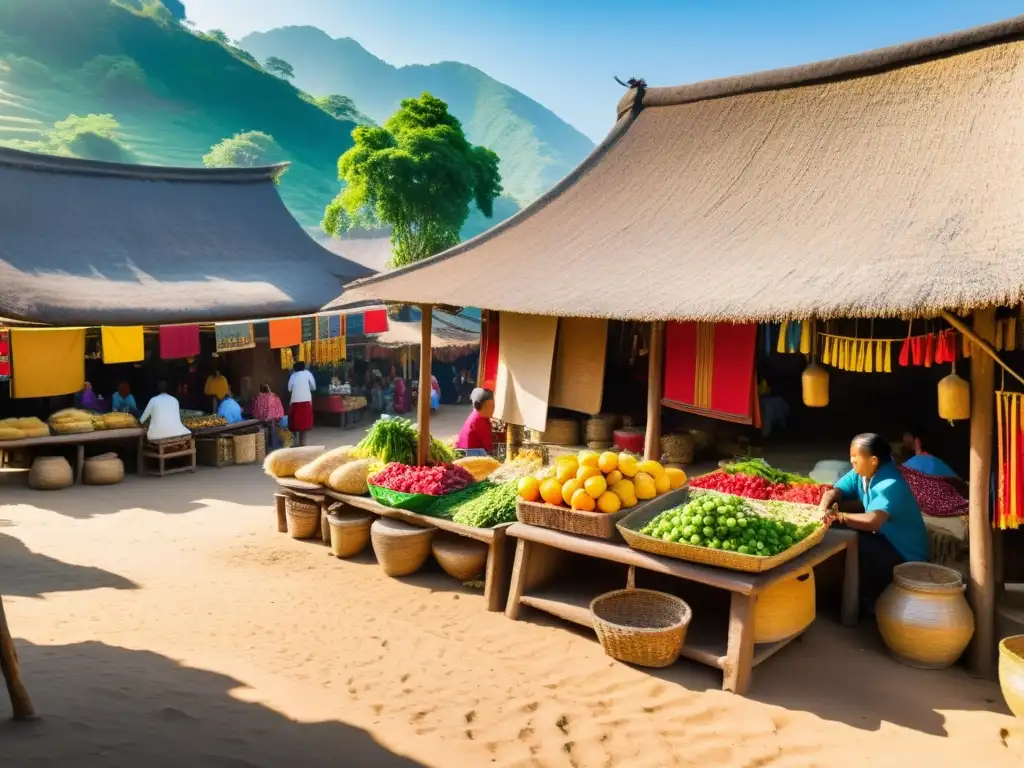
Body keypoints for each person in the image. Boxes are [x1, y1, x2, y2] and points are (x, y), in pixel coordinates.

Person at [819, 433, 929, 614]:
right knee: (848, 537)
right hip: (884, 539)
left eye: (855, 457)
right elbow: (835, 491)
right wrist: (822, 509)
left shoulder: (890, 483)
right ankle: (852, 593)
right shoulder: (861, 474)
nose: (851, 461)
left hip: (905, 555)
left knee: (856, 544)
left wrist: (837, 516)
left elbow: (873, 521)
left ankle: (868, 603)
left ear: (873, 460)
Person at [455, 387, 495, 456]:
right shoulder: (480, 421)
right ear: (484, 406)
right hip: (471, 455)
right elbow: (489, 447)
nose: (494, 409)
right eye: (492, 406)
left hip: (463, 451)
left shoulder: (475, 414)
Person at [288, 361, 316, 446]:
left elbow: (289, 389)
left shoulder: (293, 375)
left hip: (295, 401)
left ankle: (294, 441)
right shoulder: (308, 374)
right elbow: (313, 387)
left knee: (295, 422)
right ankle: (302, 442)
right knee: (304, 423)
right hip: (306, 400)